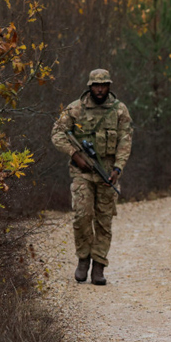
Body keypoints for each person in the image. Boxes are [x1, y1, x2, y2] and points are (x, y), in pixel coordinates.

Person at [51, 69, 133, 286]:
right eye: (96, 85)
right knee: (81, 215)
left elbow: (125, 140)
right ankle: (83, 260)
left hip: (108, 174)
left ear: (109, 86)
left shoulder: (119, 110)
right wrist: (75, 155)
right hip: (82, 173)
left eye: (104, 85)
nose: (99, 89)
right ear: (89, 86)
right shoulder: (76, 108)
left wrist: (118, 168)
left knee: (104, 221)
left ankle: (99, 265)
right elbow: (57, 134)